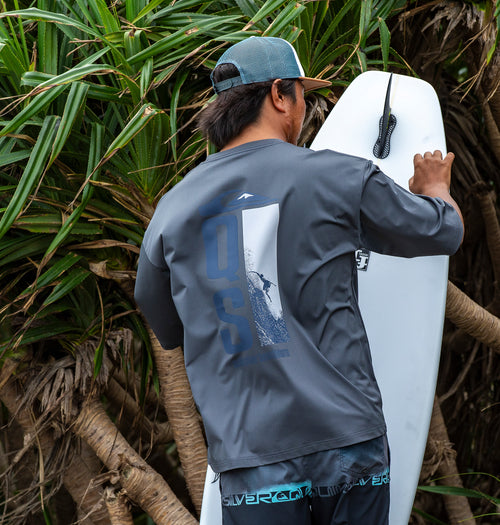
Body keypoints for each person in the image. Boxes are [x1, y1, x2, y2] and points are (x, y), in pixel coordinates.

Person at [135, 36, 464, 525]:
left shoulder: (172, 210)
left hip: (251, 455)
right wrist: (434, 188)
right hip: (346, 441)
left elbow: (162, 318)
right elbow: (443, 231)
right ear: (278, 95)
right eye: (302, 94)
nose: (305, 108)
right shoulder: (338, 176)